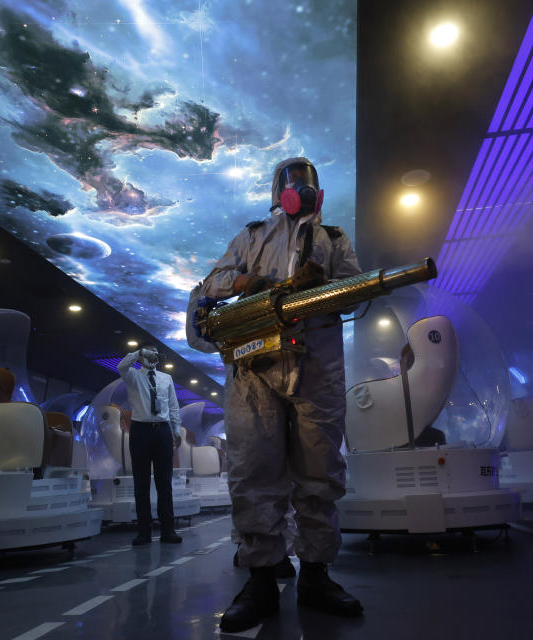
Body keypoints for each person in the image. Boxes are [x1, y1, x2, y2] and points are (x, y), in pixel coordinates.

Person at [194, 157, 364, 632]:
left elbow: (356, 294)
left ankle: (315, 573)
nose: (300, 190)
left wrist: (327, 284)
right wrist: (243, 281)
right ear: (280, 191)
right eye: (294, 183)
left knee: (320, 471)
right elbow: (211, 285)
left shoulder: (333, 240)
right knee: (254, 470)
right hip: (256, 369)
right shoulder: (252, 237)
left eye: (306, 183)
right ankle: (262, 578)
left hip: (317, 367)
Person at [117, 343, 183, 546]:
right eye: (148, 353)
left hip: (162, 430)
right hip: (140, 430)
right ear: (141, 357)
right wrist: (138, 353)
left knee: (165, 483)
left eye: (155, 353)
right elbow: (121, 366)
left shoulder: (166, 378)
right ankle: (144, 532)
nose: (152, 356)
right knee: (141, 483)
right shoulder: (133, 376)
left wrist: (176, 429)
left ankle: (168, 530)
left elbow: (173, 405)